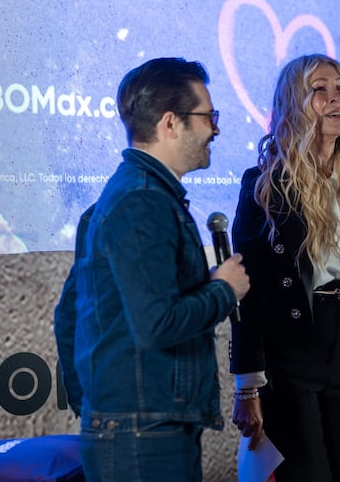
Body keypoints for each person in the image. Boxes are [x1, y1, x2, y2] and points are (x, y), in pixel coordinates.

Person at [53, 57, 250, 482]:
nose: (216, 129)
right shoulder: (142, 201)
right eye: (208, 116)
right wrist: (224, 290)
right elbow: (158, 323)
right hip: (143, 433)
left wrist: (96, 408)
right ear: (170, 124)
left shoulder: (129, 195)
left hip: (136, 425)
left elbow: (68, 315)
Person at [229, 54, 340, 482]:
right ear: (294, 104)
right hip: (290, 352)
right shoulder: (266, 184)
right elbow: (247, 293)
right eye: (320, 90)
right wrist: (248, 385)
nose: (336, 99)